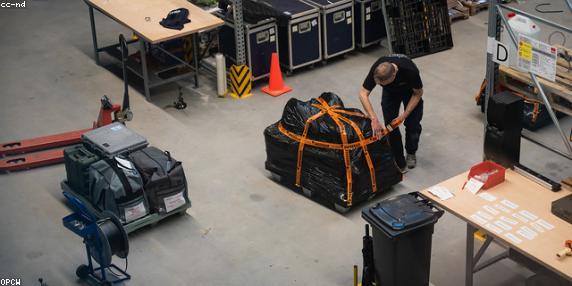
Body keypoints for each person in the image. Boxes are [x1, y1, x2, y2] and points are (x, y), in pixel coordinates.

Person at [358, 54, 424, 172]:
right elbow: (363, 93)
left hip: (410, 92)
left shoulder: (410, 71)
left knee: (412, 124)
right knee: (390, 126)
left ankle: (411, 152)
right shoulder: (377, 69)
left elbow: (418, 93)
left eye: (384, 83)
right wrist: (374, 119)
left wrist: (403, 115)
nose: (381, 86)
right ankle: (399, 161)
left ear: (394, 74)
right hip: (390, 93)